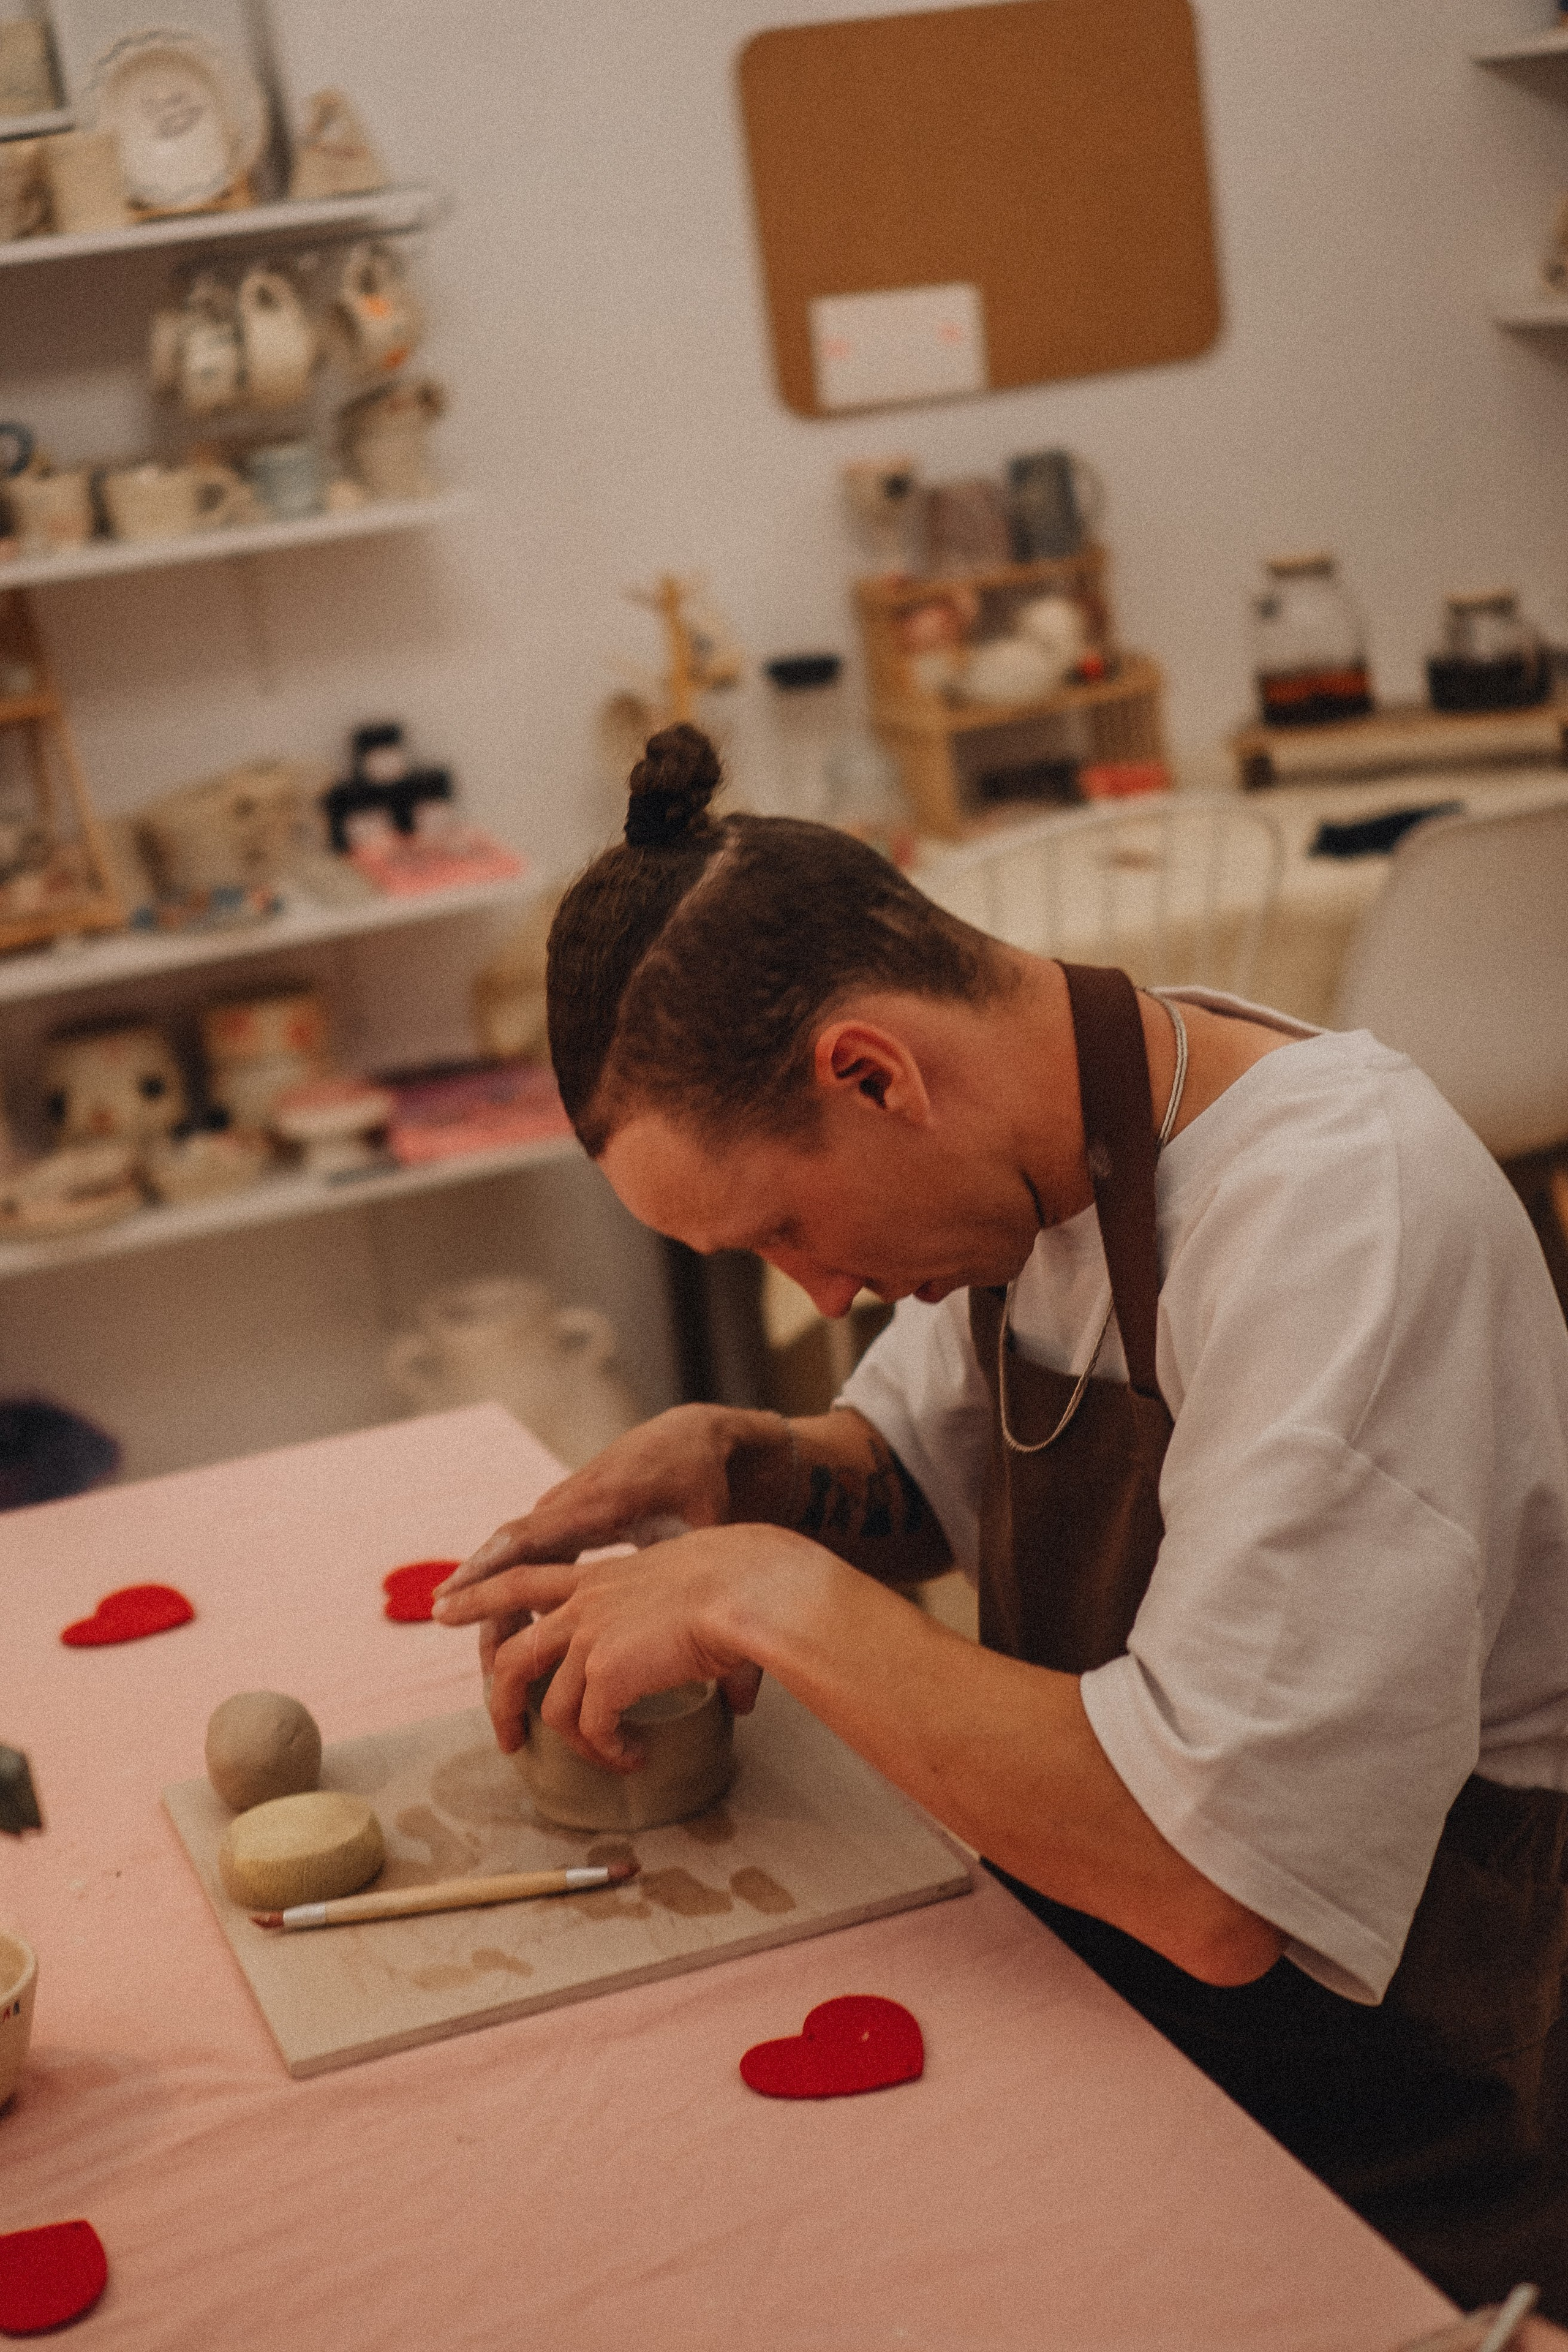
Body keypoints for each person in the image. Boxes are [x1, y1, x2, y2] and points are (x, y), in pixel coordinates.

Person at [434, 725, 1568, 2312]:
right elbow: (918, 1468)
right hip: (1123, 2002)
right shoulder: (1049, 1154)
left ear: (875, 1073)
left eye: (788, 1228)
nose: (816, 1292)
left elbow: (1217, 1886)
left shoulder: (1338, 1216)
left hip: (1386, 2113)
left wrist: (771, 1592)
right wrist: (741, 1465)